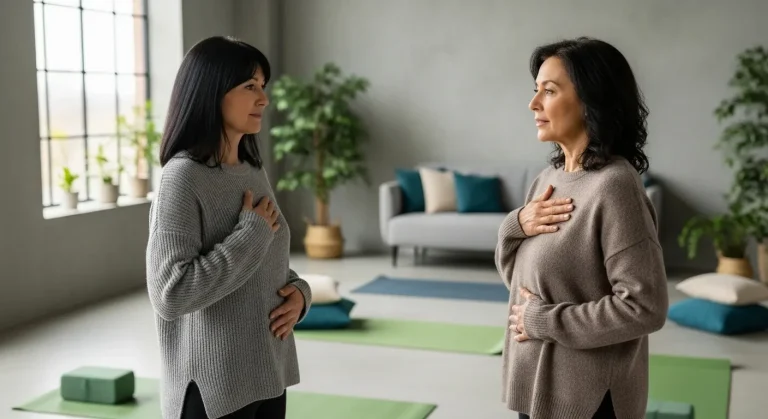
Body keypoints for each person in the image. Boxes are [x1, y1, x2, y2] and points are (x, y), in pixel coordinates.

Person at [495, 37, 669, 419]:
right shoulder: (546, 179)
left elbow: (645, 307)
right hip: (537, 384)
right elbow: (522, 281)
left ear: (591, 101)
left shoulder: (615, 186)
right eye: (535, 90)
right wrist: (515, 225)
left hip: (587, 401)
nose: (534, 103)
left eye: (550, 90)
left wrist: (543, 321)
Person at [145, 36, 313, 419]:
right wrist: (249, 235)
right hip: (215, 389)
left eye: (263, 87)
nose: (263, 99)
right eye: (250, 87)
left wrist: (300, 294)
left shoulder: (251, 169)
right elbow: (170, 294)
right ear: (212, 93)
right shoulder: (182, 177)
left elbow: (267, 262)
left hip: (268, 372)